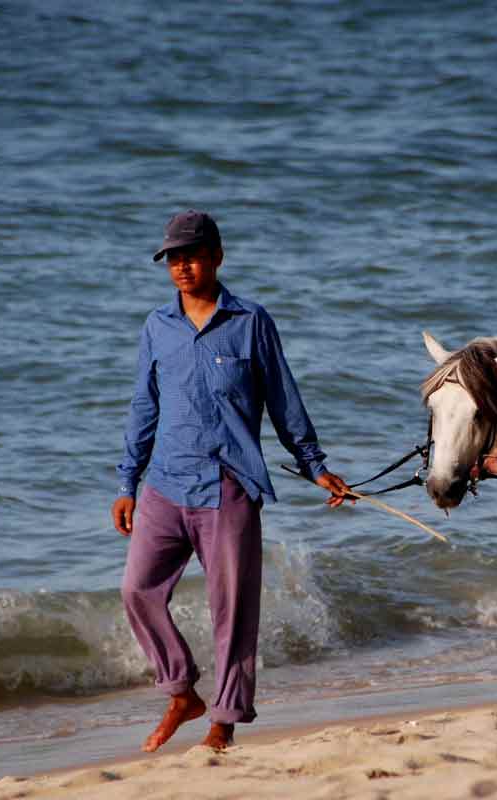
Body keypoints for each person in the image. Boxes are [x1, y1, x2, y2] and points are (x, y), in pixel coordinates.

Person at [112, 209, 351, 753]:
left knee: (233, 613)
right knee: (137, 591)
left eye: (192, 255)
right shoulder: (157, 326)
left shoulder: (251, 321)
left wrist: (314, 465)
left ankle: (222, 721)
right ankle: (181, 690)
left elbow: (284, 399)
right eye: (173, 258)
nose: (182, 267)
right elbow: (143, 407)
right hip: (164, 485)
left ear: (217, 256)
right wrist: (128, 481)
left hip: (229, 487)